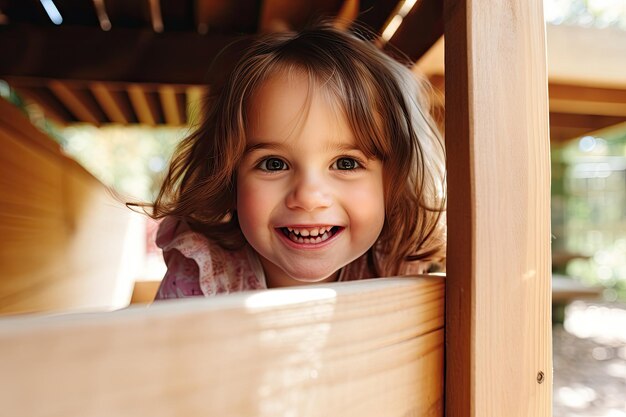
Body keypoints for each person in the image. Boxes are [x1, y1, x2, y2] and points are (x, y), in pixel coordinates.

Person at [149, 24, 446, 299]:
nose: (308, 197)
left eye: (345, 163)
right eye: (274, 164)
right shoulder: (201, 278)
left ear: (393, 180)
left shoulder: (399, 268)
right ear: (229, 178)